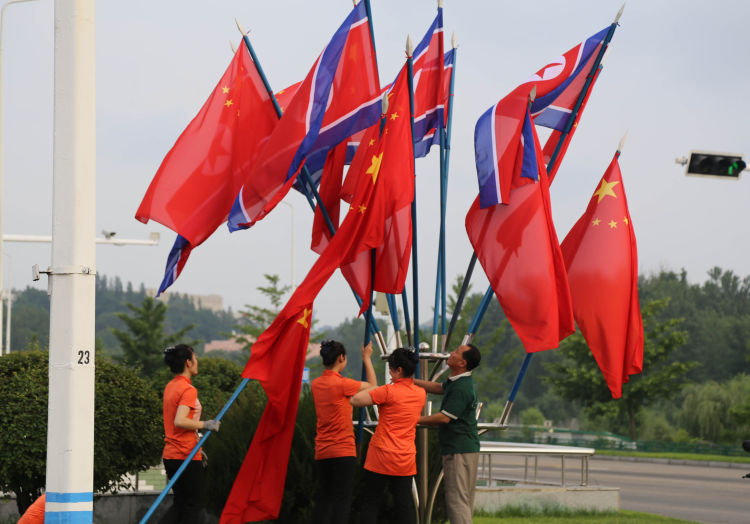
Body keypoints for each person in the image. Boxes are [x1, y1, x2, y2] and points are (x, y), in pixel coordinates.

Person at [351, 347, 426, 524]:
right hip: (405, 458)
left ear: (399, 370)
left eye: (391, 370)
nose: (390, 374)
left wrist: (373, 387)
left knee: (371, 503)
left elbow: (355, 400)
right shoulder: (420, 393)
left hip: (380, 456)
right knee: (404, 505)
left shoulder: (386, 391)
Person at [310, 340, 377, 524]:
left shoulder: (316, 384)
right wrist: (366, 358)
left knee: (324, 499)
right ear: (341, 358)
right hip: (343, 451)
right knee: (342, 501)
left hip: (322, 451)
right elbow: (373, 386)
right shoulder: (343, 384)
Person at [415, 344, 482, 524]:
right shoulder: (458, 382)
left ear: (462, 363)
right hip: (462, 448)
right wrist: (411, 382)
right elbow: (439, 388)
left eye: (456, 352)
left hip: (459, 449)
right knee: (462, 499)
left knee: (457, 500)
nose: (451, 353)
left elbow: (444, 418)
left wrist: (414, 419)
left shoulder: (462, 388)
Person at [159, 344, 220, 524]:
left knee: (181, 504)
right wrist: (206, 424)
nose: (197, 361)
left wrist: (197, 446)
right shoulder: (188, 389)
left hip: (172, 455)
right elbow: (180, 421)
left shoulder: (171, 386)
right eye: (195, 358)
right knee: (194, 505)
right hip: (184, 455)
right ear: (188, 362)